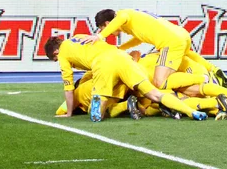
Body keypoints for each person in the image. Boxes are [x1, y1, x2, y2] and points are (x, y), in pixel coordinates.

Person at [44, 35, 207, 122]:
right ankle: (191, 112)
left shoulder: (63, 56)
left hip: (104, 65)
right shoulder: (77, 37)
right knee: (154, 94)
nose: (58, 61)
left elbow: (69, 88)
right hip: (121, 57)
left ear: (56, 53)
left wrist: (69, 113)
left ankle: (107, 104)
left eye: (55, 59)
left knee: (97, 116)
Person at [82, 8, 227, 90]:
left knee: (159, 82)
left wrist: (100, 36)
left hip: (171, 42)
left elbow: (121, 18)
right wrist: (121, 47)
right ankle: (213, 69)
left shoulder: (122, 15)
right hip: (182, 34)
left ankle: (206, 79)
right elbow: (139, 38)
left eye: (103, 28)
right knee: (186, 54)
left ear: (107, 24)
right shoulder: (133, 20)